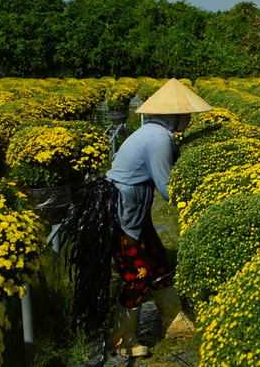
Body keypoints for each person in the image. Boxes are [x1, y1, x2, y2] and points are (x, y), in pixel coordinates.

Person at [61, 78, 212, 358]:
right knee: (137, 273)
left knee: (158, 259)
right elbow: (167, 188)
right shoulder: (157, 139)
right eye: (186, 115)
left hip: (135, 211)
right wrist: (202, 197)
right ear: (175, 116)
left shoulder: (157, 132)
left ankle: (173, 321)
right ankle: (122, 339)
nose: (189, 120)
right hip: (118, 212)